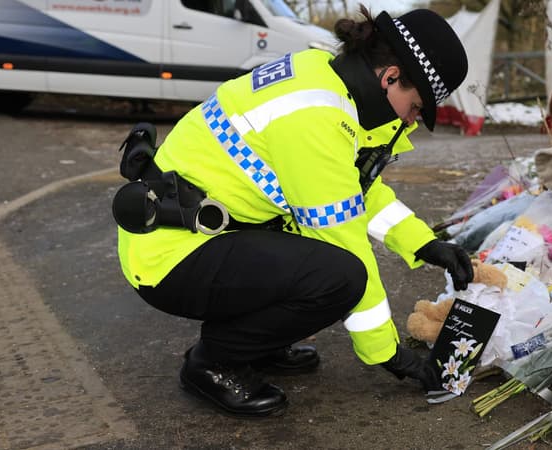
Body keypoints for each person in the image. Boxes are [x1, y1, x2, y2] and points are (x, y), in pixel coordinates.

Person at [114, 5, 472, 418]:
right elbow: (344, 236)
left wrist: (425, 244)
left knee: (317, 261)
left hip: (198, 235)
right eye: (415, 108)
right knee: (341, 277)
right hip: (170, 258)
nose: (411, 121)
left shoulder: (323, 75)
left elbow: (350, 191)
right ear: (390, 77)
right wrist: (389, 354)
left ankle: (256, 344)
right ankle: (213, 362)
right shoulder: (316, 117)